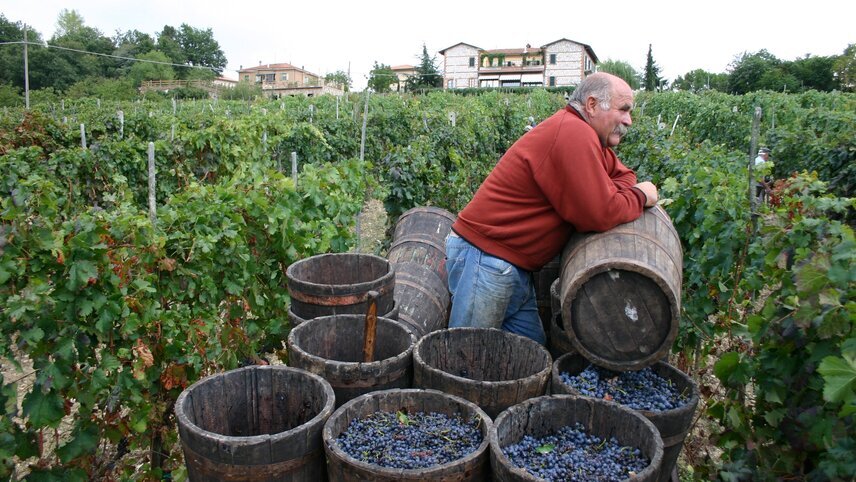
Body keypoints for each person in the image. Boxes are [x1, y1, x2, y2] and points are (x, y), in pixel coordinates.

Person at [445, 72, 658, 344]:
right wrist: (640, 196)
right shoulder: (573, 132)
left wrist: (612, 190)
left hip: (511, 264)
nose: (628, 120)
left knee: (529, 356)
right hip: (486, 259)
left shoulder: (589, 138)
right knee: (466, 355)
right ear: (592, 105)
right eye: (624, 110)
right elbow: (598, 214)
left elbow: (624, 176)